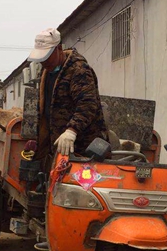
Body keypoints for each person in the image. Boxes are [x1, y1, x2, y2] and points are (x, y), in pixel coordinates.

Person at [27, 28, 108, 161]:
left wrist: (72, 131)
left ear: (58, 48)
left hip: (82, 148)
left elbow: (87, 104)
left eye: (47, 56)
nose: (44, 61)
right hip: (58, 146)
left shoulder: (78, 70)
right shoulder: (46, 72)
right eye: (41, 57)